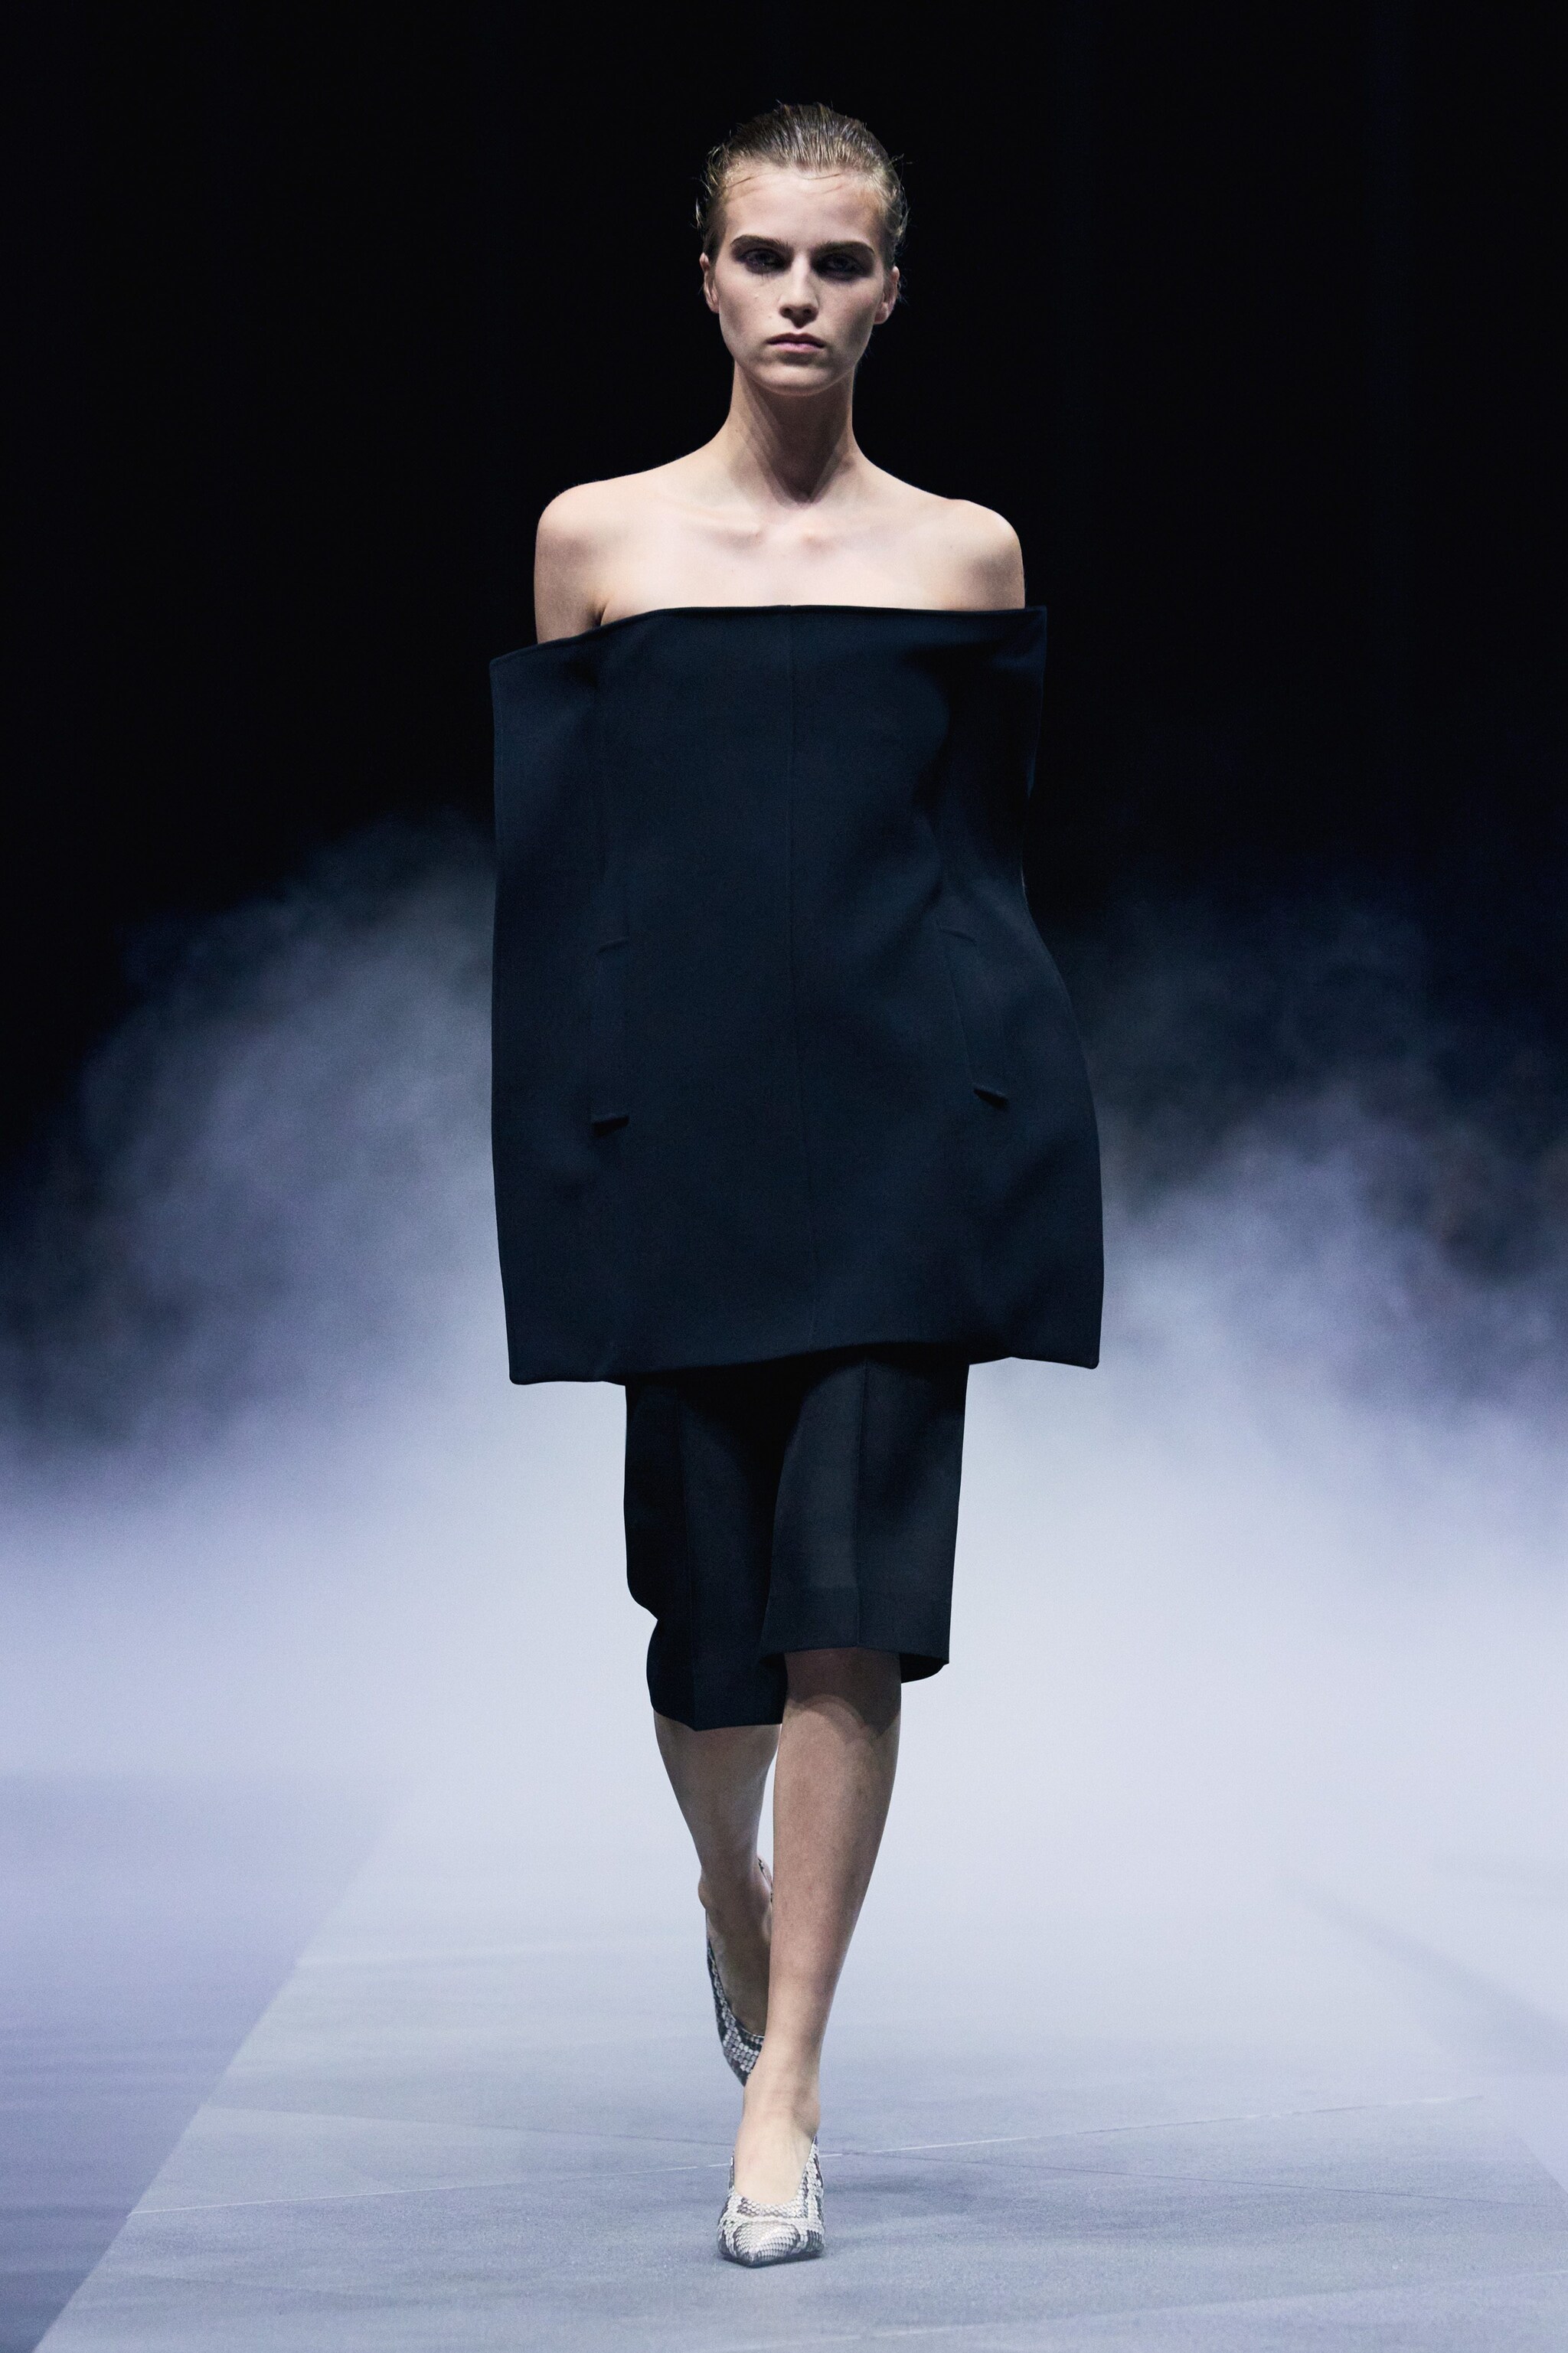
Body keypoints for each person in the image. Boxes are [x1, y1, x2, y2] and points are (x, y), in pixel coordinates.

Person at [492, 102, 1102, 2266]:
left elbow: (981, 880)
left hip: (903, 1142)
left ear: (892, 292)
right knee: (708, 1628)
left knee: (858, 1607)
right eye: (766, 256)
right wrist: (559, 1167)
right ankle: (724, 1888)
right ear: (708, 278)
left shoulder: (965, 556)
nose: (801, 296)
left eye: (841, 263)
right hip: (678, 1145)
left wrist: (1018, 1138)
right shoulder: (596, 542)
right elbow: (560, 901)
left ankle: (791, 2080)